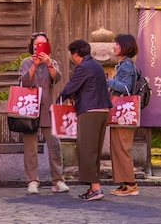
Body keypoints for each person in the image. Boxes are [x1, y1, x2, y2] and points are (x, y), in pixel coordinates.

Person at [59, 38, 112, 201]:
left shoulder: (83, 67)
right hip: (102, 110)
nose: (72, 58)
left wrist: (60, 98)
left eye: (71, 54)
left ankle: (96, 188)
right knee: (94, 151)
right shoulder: (96, 65)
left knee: (86, 150)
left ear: (76, 54)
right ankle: (92, 188)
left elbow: (71, 87)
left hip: (90, 111)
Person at [18, 32, 70, 195]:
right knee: (30, 147)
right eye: (36, 44)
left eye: (42, 44)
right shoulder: (26, 62)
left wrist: (47, 64)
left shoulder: (52, 62)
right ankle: (32, 181)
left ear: (47, 46)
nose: (38, 47)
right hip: (30, 109)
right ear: (32, 46)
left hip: (48, 108)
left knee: (54, 145)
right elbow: (23, 82)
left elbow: (57, 79)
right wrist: (34, 65)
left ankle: (58, 180)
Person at [105, 33, 140, 196]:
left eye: (117, 44)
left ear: (125, 46)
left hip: (124, 112)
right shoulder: (124, 64)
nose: (114, 46)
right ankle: (124, 183)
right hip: (120, 113)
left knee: (122, 148)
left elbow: (126, 89)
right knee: (118, 148)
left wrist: (107, 81)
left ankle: (131, 184)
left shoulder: (126, 65)